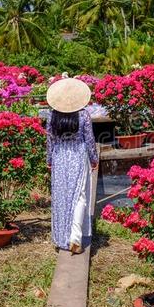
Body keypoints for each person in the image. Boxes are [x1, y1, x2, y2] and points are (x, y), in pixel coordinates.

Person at [46, 78, 99, 254]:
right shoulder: (83, 115)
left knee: (61, 196)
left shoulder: (52, 115)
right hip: (77, 155)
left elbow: (50, 141)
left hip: (60, 156)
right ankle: (75, 237)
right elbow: (90, 140)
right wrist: (94, 158)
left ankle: (62, 237)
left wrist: (49, 160)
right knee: (80, 196)